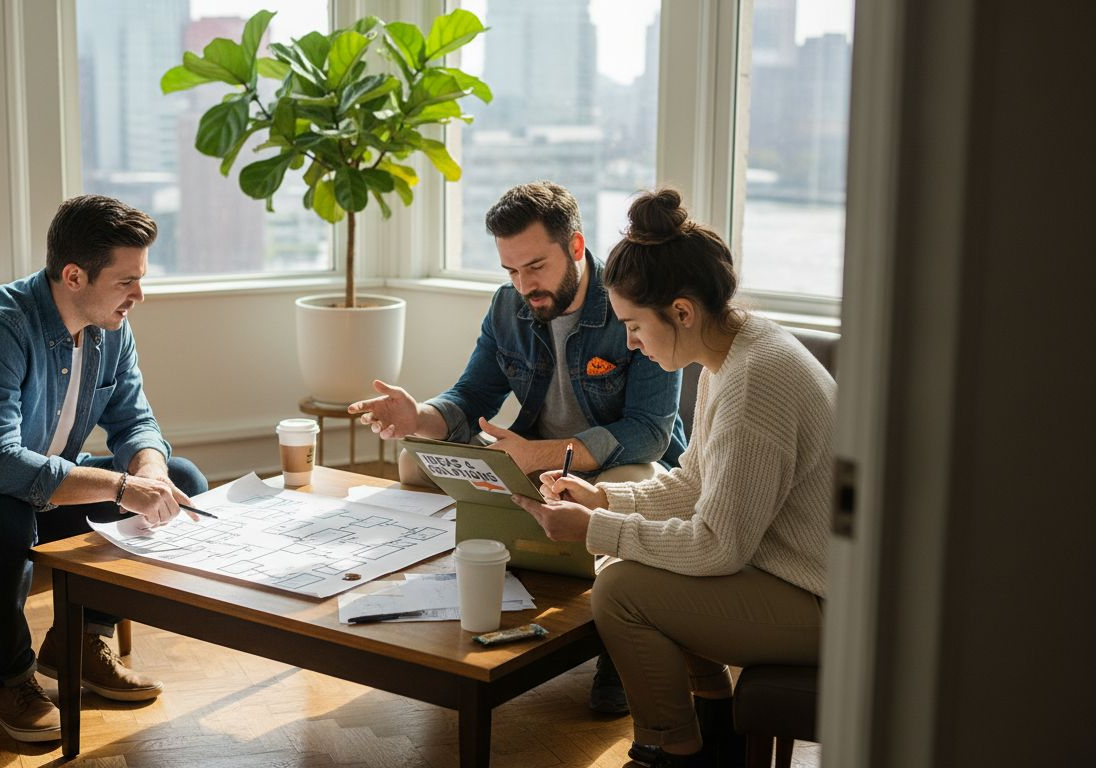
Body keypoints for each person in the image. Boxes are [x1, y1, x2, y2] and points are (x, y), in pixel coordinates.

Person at [511, 188, 833, 767]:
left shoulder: (753, 385)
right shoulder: (733, 352)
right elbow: (692, 484)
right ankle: (711, 727)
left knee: (620, 589)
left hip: (831, 603)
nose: (630, 341)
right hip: (799, 577)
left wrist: (595, 527)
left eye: (634, 325)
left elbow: (716, 546)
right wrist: (605, 495)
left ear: (681, 312)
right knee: (623, 566)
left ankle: (673, 749)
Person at [349, 180, 689, 714]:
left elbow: (650, 431)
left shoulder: (629, 300)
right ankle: (489, 566)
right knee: (413, 459)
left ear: (575, 247)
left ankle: (617, 647)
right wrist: (421, 416)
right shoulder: (509, 306)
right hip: (534, 458)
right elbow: (471, 394)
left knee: (635, 482)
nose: (523, 284)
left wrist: (540, 456)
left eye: (535, 267)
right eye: (510, 270)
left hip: (618, 465)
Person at [0, 195, 208, 743]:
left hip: (40, 489)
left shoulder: (111, 326)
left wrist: (150, 474)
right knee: (3, 517)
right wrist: (124, 487)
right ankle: (9, 680)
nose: (139, 295)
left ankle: (80, 639)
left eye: (140, 278)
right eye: (126, 280)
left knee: (185, 479)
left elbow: (136, 423)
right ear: (75, 275)